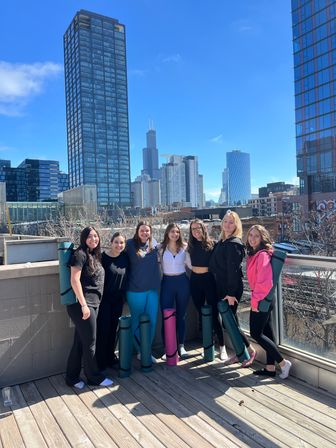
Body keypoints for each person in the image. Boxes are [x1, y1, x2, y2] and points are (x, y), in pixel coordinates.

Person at [65, 226, 113, 389]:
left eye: (96, 236)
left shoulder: (93, 255)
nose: (94, 239)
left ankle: (71, 378)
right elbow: (74, 280)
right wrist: (84, 305)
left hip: (93, 303)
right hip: (83, 305)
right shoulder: (80, 254)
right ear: (84, 238)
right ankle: (94, 377)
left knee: (80, 342)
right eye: (90, 236)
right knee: (91, 342)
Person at [210, 210, 256, 366]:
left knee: (230, 323)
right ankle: (240, 352)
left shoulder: (234, 244)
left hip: (231, 290)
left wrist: (230, 293)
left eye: (231, 222)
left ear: (236, 225)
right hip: (221, 287)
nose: (227, 225)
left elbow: (233, 271)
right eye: (225, 221)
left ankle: (249, 351)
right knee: (230, 322)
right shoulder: (223, 241)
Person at [246, 225, 292, 378]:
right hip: (264, 299)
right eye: (250, 235)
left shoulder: (262, 255)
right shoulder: (254, 254)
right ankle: (270, 368)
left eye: (256, 236)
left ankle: (283, 363)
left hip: (261, 300)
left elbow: (265, 283)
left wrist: (256, 303)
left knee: (256, 333)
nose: (252, 238)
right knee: (266, 332)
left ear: (262, 238)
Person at [187, 219, 227, 360]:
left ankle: (222, 347)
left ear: (204, 228)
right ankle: (207, 345)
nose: (196, 231)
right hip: (195, 281)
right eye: (193, 229)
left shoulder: (212, 244)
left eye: (198, 228)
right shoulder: (190, 246)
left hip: (209, 280)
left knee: (215, 314)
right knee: (202, 315)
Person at [126, 221, 161, 362]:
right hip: (135, 290)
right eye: (142, 230)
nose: (145, 233)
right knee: (136, 321)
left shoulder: (154, 245)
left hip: (152, 290)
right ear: (137, 231)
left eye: (147, 230)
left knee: (152, 321)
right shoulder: (129, 244)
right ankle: (141, 351)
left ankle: (147, 350)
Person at [96, 232, 129, 370]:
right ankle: (100, 362)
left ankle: (110, 357)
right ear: (111, 242)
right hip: (105, 300)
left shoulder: (125, 258)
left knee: (113, 329)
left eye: (122, 243)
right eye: (116, 242)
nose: (119, 245)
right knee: (103, 330)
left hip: (118, 300)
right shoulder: (103, 258)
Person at [159, 223, 190, 358]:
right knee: (166, 315)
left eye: (177, 232)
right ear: (167, 233)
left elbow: (191, 264)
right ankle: (168, 348)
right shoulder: (161, 249)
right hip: (167, 283)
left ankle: (181, 346)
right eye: (172, 231)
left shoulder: (185, 247)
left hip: (182, 282)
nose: (175, 234)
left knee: (181, 316)